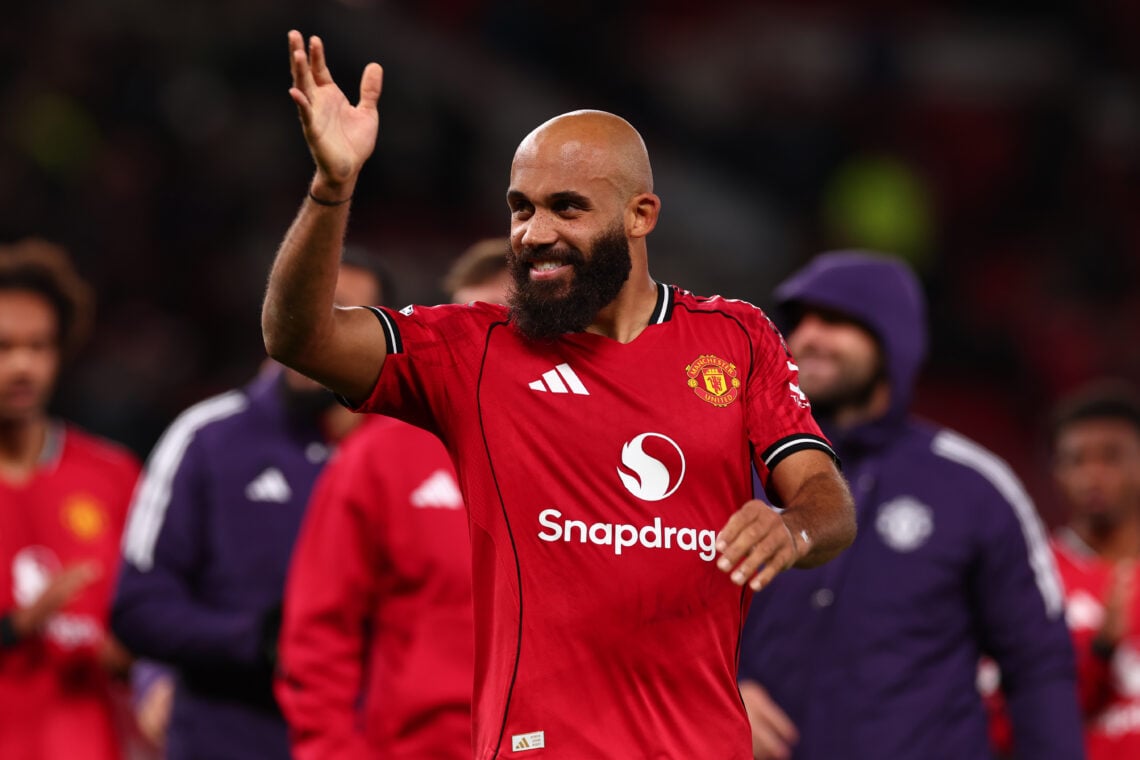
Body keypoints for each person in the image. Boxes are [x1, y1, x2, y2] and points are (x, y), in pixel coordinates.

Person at [262, 31, 856, 759]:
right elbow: (298, 338)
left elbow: (825, 501)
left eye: (567, 208)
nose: (533, 234)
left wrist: (793, 530)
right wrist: (331, 188)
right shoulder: (475, 351)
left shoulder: (736, 338)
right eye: (521, 208)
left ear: (640, 215)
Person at [737, 250, 1084, 759]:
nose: (808, 336)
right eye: (799, 322)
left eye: (834, 320)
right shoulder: (732, 468)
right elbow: (652, 614)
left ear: (892, 340)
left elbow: (1038, 664)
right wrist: (722, 695)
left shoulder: (974, 486)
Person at [110, 251, 385, 760]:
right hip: (228, 741)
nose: (310, 326)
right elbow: (138, 607)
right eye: (299, 304)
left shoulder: (415, 452)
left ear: (377, 333)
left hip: (371, 742)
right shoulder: (207, 438)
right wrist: (256, 640)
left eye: (338, 312)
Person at [275, 239, 511, 759]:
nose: (482, 339)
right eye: (469, 321)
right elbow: (318, 634)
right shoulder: (378, 454)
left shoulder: (584, 450)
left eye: (501, 321)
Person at [0, 238, 142, 760]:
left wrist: (134, 655)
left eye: (39, 347)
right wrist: (15, 628)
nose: (23, 366)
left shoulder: (113, 475)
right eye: (3, 347)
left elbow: (156, 615)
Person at [992, 381, 1140, 758]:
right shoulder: (1028, 576)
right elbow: (1001, 725)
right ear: (1056, 473)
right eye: (1076, 460)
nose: (1093, 474)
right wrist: (1100, 653)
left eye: (1111, 457)